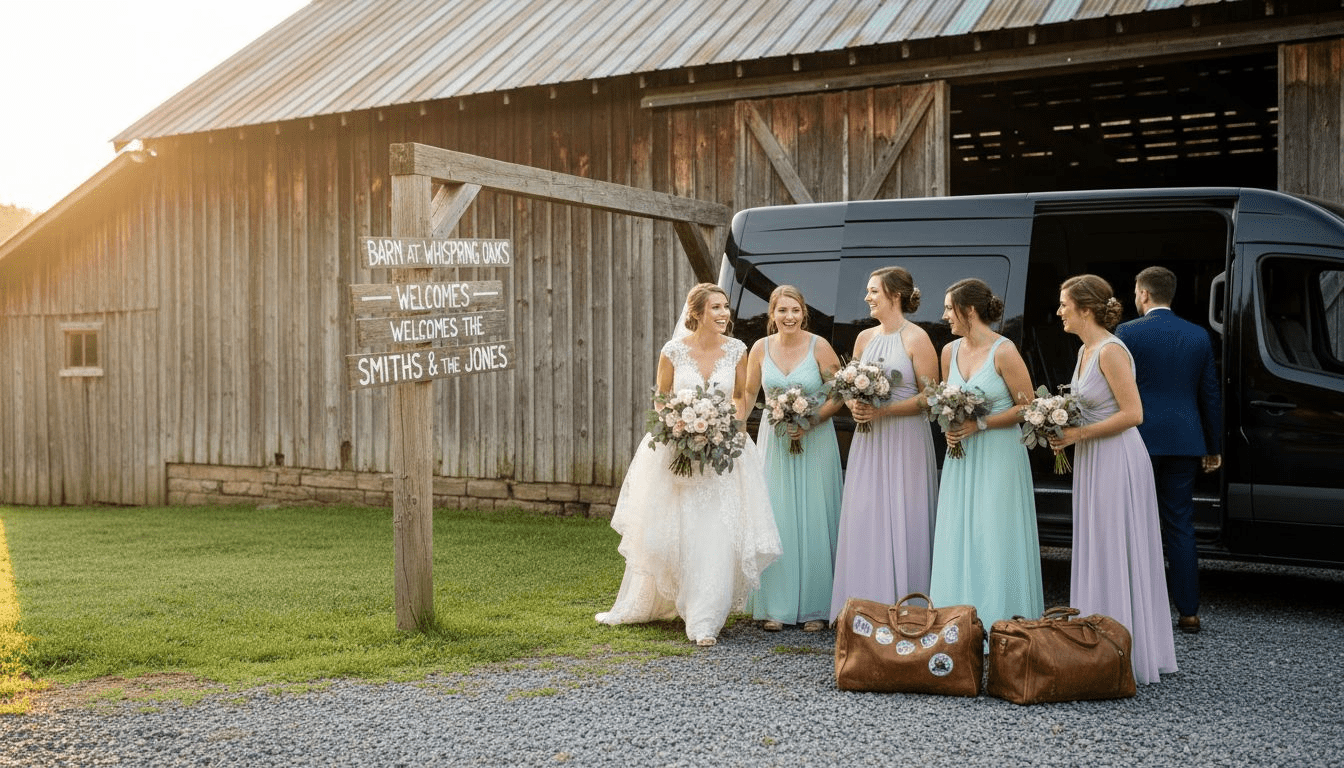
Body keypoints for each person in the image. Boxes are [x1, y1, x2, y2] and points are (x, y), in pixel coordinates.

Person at [595, 283, 782, 647]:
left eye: (726, 307)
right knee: (676, 528)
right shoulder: (673, 352)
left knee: (715, 530)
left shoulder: (737, 351)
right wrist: (680, 426)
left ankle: (704, 619)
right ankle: (659, 600)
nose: (725, 314)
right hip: (677, 451)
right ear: (696, 313)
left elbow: (741, 398)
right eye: (716, 308)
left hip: (725, 452)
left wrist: (725, 427)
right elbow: (662, 399)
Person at [1050, 274, 1178, 685]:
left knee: (1116, 544)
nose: (1058, 311)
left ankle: (1127, 649)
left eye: (1064, 304)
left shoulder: (1109, 350)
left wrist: (1077, 434)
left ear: (1085, 309)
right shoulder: (1085, 350)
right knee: (1097, 543)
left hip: (1117, 458)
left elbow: (1133, 414)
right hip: (1092, 457)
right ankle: (1098, 642)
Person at [928, 278, 1044, 630]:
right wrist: (948, 425)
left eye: (950, 308)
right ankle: (957, 623)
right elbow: (942, 402)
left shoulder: (1004, 350)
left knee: (993, 535)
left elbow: (1029, 408)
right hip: (960, 457)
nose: (945, 315)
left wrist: (980, 425)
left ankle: (1000, 622)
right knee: (959, 535)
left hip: (998, 455)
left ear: (970, 310)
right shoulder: (949, 352)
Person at [1115, 266, 1222, 635]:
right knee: (1180, 524)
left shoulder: (1127, 332)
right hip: (1186, 440)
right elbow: (1209, 393)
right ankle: (1189, 612)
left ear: (1143, 294)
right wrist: (1213, 445)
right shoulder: (1198, 335)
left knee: (1135, 521)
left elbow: (1117, 388)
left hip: (1138, 438)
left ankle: (1138, 610)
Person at [828, 267, 939, 622]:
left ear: (894, 295)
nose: (867, 297)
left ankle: (907, 606)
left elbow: (931, 397)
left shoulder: (917, 338)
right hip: (869, 441)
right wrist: (855, 405)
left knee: (903, 512)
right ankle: (864, 604)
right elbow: (849, 387)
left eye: (873, 291)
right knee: (866, 513)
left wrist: (885, 409)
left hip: (905, 441)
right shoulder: (864, 339)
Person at [743, 286, 844, 633]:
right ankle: (776, 606)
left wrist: (812, 419)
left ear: (804, 313)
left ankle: (816, 607)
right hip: (775, 441)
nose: (789, 317)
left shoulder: (820, 346)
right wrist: (727, 425)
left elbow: (839, 393)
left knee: (815, 515)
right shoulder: (759, 349)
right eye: (782, 311)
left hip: (815, 440)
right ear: (772, 314)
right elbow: (747, 395)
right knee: (776, 515)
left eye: (796, 311)